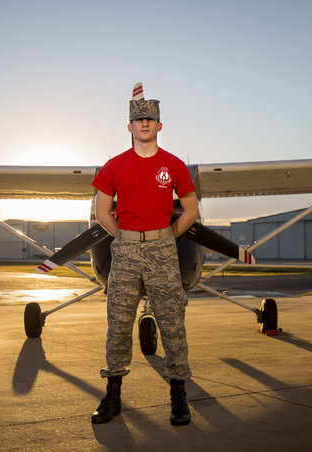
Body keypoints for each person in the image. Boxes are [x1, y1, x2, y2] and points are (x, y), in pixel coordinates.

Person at [89, 83, 199, 426]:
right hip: (125, 252)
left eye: (151, 118)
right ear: (130, 127)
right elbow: (103, 210)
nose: (145, 124)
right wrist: (123, 237)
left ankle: (178, 396)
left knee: (172, 324)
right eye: (139, 119)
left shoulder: (175, 165)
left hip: (163, 251)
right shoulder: (113, 166)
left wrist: (167, 237)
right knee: (118, 324)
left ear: (159, 125)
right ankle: (113, 395)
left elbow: (191, 211)